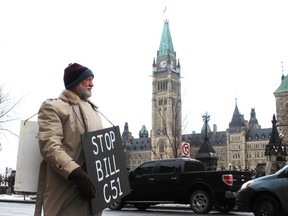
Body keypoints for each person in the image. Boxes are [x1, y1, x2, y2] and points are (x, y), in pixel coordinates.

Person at [34, 63, 103, 216]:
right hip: (65, 196)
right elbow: (50, 146)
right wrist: (76, 173)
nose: (92, 84)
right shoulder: (53, 107)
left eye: (92, 79)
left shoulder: (95, 111)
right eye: (88, 79)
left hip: (93, 198)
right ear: (75, 81)